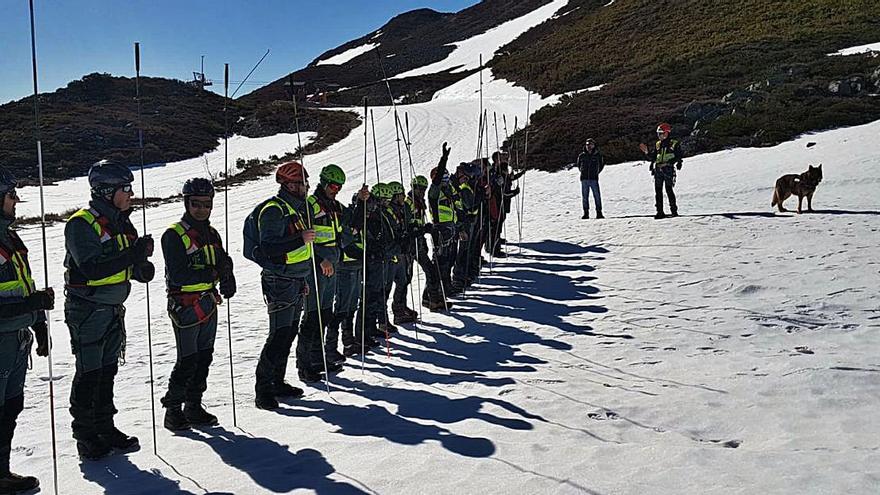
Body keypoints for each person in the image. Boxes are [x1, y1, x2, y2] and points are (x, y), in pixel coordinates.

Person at [64, 159, 154, 459]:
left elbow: (124, 263)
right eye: (125, 188)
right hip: (88, 310)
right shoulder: (81, 223)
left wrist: (140, 266)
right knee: (89, 373)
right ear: (106, 191)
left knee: (107, 370)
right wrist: (132, 256)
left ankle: (105, 426)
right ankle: (85, 434)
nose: (130, 193)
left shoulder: (121, 221)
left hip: (112, 308)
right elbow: (90, 268)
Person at [160, 178, 236, 431]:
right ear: (186, 203)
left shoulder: (212, 233)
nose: (202, 209)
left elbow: (222, 259)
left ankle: (193, 405)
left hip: (208, 302)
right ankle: (173, 410)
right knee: (187, 359)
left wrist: (228, 274)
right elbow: (179, 274)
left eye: (207, 204)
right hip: (185, 305)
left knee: (204, 357)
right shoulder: (174, 235)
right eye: (196, 204)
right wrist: (214, 274)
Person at [0, 167, 52, 493]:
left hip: (18, 340)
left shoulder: (10, 237)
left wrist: (40, 324)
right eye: (10, 195)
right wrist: (31, 304)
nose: (16, 200)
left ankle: (1, 472)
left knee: (10, 407)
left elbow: (23, 286)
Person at [250, 162, 314, 410]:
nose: (306, 187)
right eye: (303, 183)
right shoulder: (274, 210)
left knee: (287, 334)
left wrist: (303, 278)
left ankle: (277, 382)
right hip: (279, 281)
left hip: (295, 280)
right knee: (278, 335)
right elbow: (269, 248)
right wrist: (300, 238)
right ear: (289, 185)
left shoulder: (294, 209)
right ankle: (263, 390)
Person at [298, 164, 346, 382]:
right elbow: (304, 238)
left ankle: (319, 358)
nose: (336, 190)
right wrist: (319, 259)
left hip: (332, 262)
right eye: (334, 185)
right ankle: (304, 363)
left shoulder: (333, 205)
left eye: (340, 187)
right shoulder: (311, 205)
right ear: (325, 183)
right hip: (317, 265)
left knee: (325, 313)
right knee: (312, 314)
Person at [330, 185, 369, 358]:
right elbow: (347, 242)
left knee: (352, 306)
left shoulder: (359, 220)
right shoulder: (346, 217)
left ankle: (349, 340)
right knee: (341, 307)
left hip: (357, 266)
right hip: (345, 267)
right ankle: (331, 345)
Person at [426, 143, 458, 310]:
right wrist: (443, 159)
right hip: (439, 229)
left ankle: (443, 291)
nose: (445, 180)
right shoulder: (434, 192)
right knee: (438, 263)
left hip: (450, 228)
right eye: (442, 177)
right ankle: (430, 295)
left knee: (447, 262)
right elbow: (438, 179)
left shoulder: (448, 191)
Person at [640, 123, 683, 219]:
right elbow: (654, 156)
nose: (659, 135)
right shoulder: (658, 144)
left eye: (661, 133)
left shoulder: (674, 143)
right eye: (658, 133)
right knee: (658, 191)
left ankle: (674, 211)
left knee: (669, 190)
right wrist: (647, 153)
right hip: (658, 169)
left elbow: (678, 155)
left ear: (667, 133)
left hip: (668, 169)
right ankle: (659, 212)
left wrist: (675, 163)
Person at [576, 139, 604, 219]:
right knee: (585, 196)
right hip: (584, 179)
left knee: (597, 196)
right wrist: (582, 171)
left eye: (590, 145)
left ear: (594, 145)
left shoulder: (597, 155)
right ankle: (586, 213)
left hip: (594, 178)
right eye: (587, 145)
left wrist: (596, 172)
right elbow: (579, 165)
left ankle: (599, 212)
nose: (589, 146)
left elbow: (601, 165)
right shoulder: (582, 156)